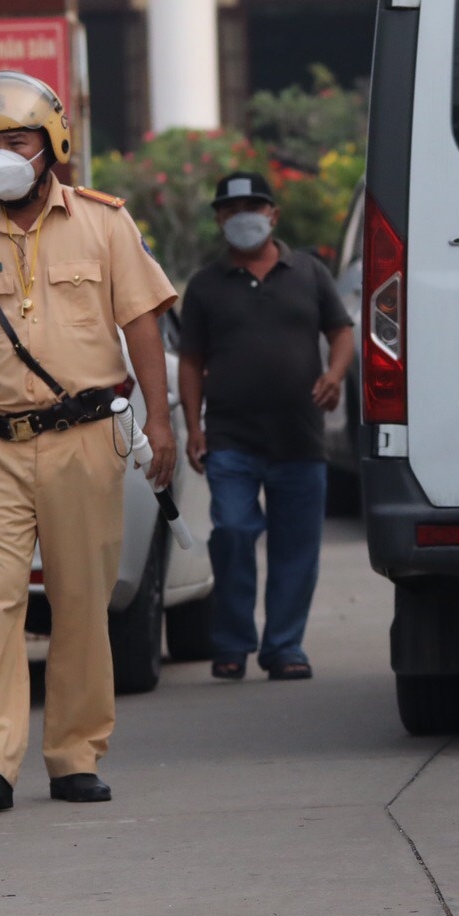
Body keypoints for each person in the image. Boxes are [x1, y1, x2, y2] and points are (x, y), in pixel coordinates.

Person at [0, 71, 177, 813]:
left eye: (16, 141)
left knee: (81, 604)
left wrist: (161, 419)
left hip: (86, 440)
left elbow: (142, 321)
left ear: (52, 144)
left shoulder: (103, 223)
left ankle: (75, 755)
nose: (0, 157)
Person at [177, 172, 355, 682]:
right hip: (231, 438)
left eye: (253, 208)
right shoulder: (205, 286)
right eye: (231, 210)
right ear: (218, 219)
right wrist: (194, 426)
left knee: (296, 548)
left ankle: (284, 646)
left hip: (300, 436)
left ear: (273, 215)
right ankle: (232, 642)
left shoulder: (309, 273)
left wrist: (334, 375)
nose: (243, 218)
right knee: (233, 531)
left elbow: (342, 332)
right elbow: (190, 361)